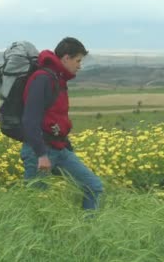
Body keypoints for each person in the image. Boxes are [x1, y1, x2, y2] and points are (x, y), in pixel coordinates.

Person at [20, 37, 103, 211]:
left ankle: (86, 231)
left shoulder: (58, 78)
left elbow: (55, 118)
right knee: (35, 203)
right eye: (78, 60)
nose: (79, 66)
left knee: (94, 186)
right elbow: (30, 120)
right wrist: (41, 154)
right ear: (66, 58)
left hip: (59, 149)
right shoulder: (42, 79)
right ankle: (29, 236)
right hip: (39, 151)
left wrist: (67, 147)